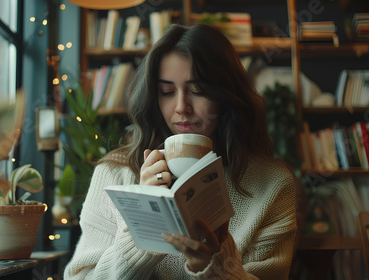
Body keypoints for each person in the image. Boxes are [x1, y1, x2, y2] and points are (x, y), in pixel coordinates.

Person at [64, 24, 297, 279]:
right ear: (154, 97)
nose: (181, 107)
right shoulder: (115, 174)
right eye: (167, 92)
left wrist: (214, 266)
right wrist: (145, 234)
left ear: (225, 95)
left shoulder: (272, 184)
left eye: (198, 90)